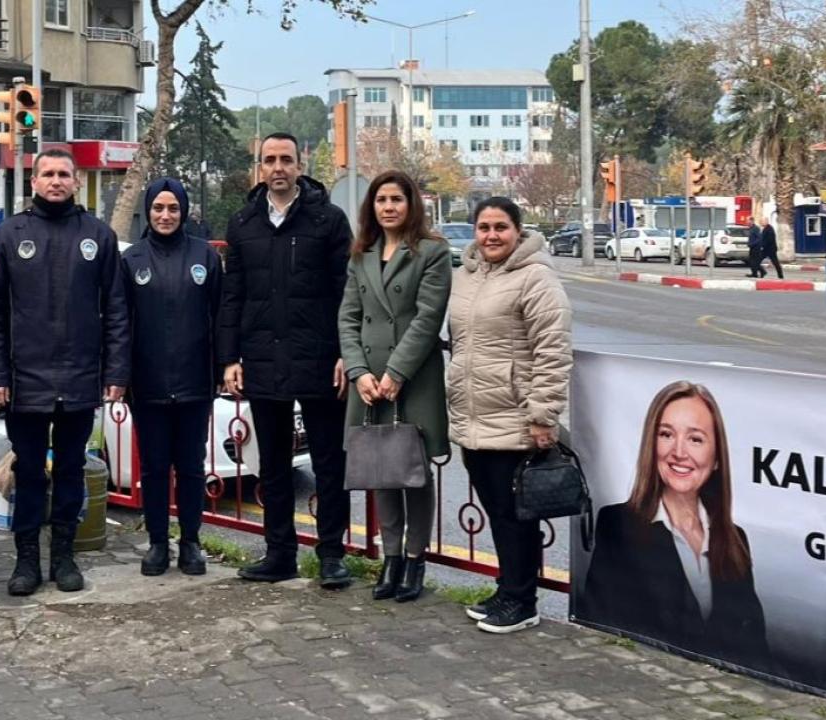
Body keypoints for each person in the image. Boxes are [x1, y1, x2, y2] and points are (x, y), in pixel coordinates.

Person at [0, 148, 129, 597]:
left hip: (80, 379)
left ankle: (64, 556)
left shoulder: (98, 236)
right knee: (27, 472)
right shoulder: (8, 235)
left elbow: (117, 310)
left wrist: (115, 372)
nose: (56, 181)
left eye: (64, 174)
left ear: (76, 181)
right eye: (48, 174)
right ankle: (26, 560)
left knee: (69, 469)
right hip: (24, 381)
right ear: (35, 182)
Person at [216, 132, 354, 589]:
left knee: (329, 463)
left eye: (286, 160)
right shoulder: (243, 223)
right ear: (260, 167)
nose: (278, 167)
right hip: (261, 359)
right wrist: (229, 357)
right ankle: (280, 554)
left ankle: (332, 554)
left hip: (318, 359)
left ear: (300, 164)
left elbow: (345, 294)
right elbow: (233, 294)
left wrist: (343, 354)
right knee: (272, 463)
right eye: (270, 160)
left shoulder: (329, 221)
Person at [448, 197, 572, 634]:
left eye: (501, 227)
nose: (491, 236)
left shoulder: (536, 278)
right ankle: (507, 589)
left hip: (515, 416)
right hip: (473, 416)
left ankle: (522, 602)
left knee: (517, 514)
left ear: (518, 231)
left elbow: (552, 349)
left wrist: (543, 414)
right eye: (483, 227)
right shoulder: (465, 276)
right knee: (498, 511)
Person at [579, 381, 769, 664]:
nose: (679, 451)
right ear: (650, 444)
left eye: (695, 439)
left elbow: (755, 645)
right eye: (666, 434)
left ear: (717, 458)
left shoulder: (734, 538)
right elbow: (601, 622)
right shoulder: (618, 524)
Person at [338, 170, 451, 603]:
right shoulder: (361, 253)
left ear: (411, 205)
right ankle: (391, 558)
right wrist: (358, 372)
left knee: (413, 470)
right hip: (369, 380)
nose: (388, 207)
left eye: (396, 200)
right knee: (383, 470)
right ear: (372, 206)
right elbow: (348, 317)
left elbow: (427, 318)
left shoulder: (432, 252)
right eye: (381, 200)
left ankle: (416, 557)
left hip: (412, 377)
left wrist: (396, 373)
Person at [121, 177, 222, 577]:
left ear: (184, 211)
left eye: (173, 209)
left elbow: (220, 317)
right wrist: (120, 376)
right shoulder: (131, 260)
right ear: (148, 211)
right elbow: (119, 321)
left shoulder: (205, 257)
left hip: (196, 382)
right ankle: (158, 543)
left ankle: (192, 542)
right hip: (147, 385)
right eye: (159, 208)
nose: (166, 215)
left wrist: (223, 367)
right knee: (155, 468)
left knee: (192, 466)